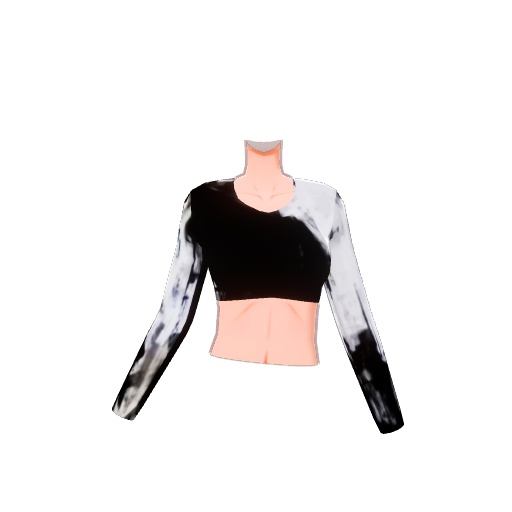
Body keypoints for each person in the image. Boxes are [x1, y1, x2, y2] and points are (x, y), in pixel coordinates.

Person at [112, 139, 401, 432]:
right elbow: (171, 313)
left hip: (303, 391)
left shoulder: (325, 201)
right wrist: (125, 407)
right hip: (223, 385)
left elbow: (356, 320)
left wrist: (389, 415)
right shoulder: (204, 199)